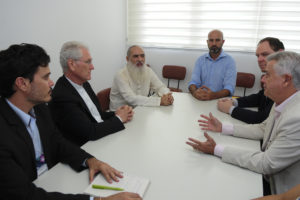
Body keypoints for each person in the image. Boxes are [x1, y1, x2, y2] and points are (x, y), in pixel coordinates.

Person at [0, 43, 141, 200]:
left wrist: (90, 160)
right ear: (22, 83)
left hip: (53, 181)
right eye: (45, 77)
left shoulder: (39, 108)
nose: (51, 82)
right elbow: (26, 195)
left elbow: (58, 142)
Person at [186, 51, 300, 194]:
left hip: (276, 191)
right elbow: (263, 129)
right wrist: (223, 128)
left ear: (286, 80)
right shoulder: (283, 100)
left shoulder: (296, 118)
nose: (263, 80)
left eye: (268, 75)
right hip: (265, 179)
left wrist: (216, 149)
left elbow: (266, 163)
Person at [49, 41, 134, 146]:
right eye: (88, 62)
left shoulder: (84, 83)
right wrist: (119, 118)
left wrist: (116, 113)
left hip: (100, 140)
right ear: (72, 64)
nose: (92, 67)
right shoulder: (62, 96)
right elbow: (90, 132)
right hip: (86, 148)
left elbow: (97, 115)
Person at [217, 37, 285, 124]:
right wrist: (233, 101)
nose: (259, 59)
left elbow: (263, 119)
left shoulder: (285, 82)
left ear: (280, 53)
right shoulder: (274, 75)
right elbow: (259, 97)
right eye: (257, 55)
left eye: (265, 54)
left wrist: (230, 109)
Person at [109, 45, 173, 111]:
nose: (140, 59)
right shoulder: (120, 75)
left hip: (140, 109)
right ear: (127, 59)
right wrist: (159, 101)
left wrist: (167, 95)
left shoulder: (148, 71)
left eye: (142, 56)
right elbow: (131, 99)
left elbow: (160, 87)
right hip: (120, 114)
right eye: (135, 56)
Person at [188, 29, 237, 100]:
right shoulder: (200, 60)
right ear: (207, 42)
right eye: (211, 40)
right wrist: (195, 92)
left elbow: (229, 88)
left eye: (217, 40)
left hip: (221, 101)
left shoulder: (230, 61)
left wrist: (213, 95)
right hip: (201, 100)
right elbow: (193, 82)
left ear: (223, 42)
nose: (214, 43)